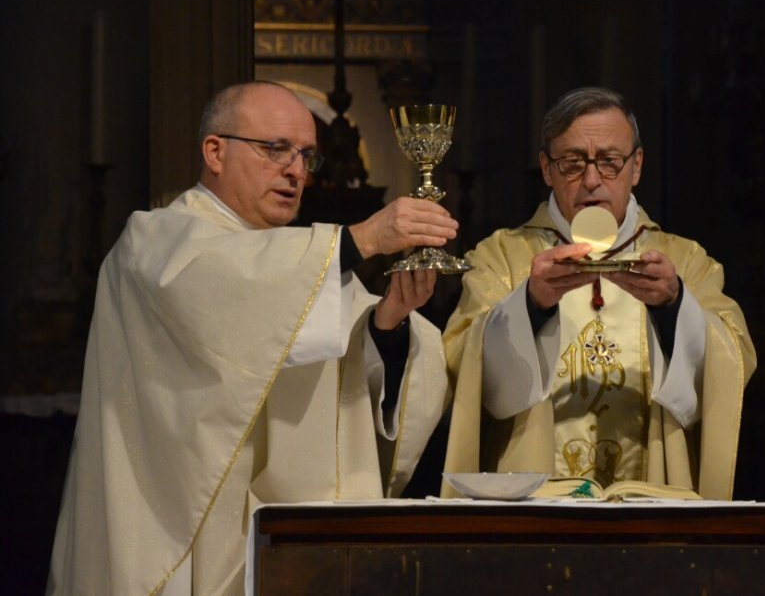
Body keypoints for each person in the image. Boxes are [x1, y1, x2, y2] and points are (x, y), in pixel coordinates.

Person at [48, 81, 460, 595]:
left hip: (285, 547)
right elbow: (230, 288)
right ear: (214, 152)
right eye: (275, 149)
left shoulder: (308, 266)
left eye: (307, 157)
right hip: (186, 538)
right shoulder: (156, 244)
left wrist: (388, 323)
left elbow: (343, 370)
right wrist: (364, 238)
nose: (295, 170)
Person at [442, 87, 755, 498]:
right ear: (546, 168)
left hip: (650, 497)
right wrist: (530, 307)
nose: (591, 180)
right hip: (535, 503)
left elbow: (735, 358)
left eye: (609, 162)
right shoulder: (500, 257)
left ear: (636, 165)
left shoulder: (686, 260)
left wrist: (674, 307)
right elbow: (460, 364)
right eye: (572, 163)